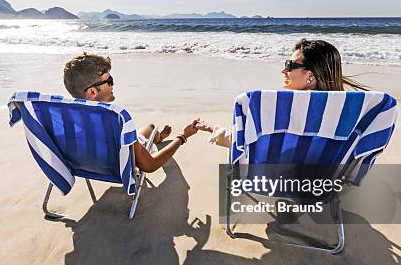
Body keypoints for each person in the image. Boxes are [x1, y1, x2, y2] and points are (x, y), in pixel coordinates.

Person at [196, 38, 368, 147]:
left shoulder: (278, 108)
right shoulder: (349, 113)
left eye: (290, 65)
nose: (283, 70)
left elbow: (243, 142)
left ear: (311, 75)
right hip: (327, 184)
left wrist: (212, 128)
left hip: (279, 181)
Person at [63, 53, 200, 172]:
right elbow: (150, 165)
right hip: (119, 157)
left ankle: (157, 138)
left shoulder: (63, 118)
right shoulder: (114, 121)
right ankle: (156, 139)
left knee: (148, 130)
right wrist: (183, 136)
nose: (113, 85)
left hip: (90, 161)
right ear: (92, 92)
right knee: (151, 127)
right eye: (109, 81)